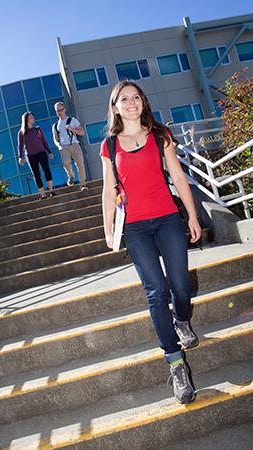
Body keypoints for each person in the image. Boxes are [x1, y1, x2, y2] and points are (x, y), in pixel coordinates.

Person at [100, 80, 201, 404]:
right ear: (115, 107)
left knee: (181, 285)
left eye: (136, 97)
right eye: (124, 99)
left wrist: (193, 215)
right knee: (156, 291)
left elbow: (178, 176)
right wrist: (108, 226)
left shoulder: (160, 135)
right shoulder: (110, 146)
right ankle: (175, 363)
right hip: (136, 229)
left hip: (168, 219)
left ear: (143, 102)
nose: (131, 102)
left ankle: (181, 320)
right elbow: (108, 190)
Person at [18, 112, 56, 199]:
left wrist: (49, 152)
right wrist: (20, 157)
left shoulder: (38, 129)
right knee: (36, 174)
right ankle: (43, 194)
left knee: (47, 170)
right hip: (30, 156)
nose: (33, 118)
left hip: (41, 153)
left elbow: (44, 141)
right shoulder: (22, 133)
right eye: (31, 117)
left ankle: (51, 191)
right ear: (27, 119)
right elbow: (20, 145)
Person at [53, 102, 88, 191]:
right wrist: (59, 146)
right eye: (58, 110)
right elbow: (56, 138)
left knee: (80, 164)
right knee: (65, 162)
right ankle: (71, 175)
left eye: (61, 109)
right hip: (63, 146)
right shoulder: (55, 125)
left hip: (74, 144)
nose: (60, 112)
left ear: (65, 109)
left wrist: (72, 128)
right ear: (56, 112)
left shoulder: (72, 120)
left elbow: (82, 132)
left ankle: (83, 184)